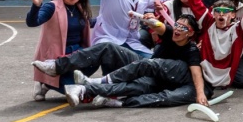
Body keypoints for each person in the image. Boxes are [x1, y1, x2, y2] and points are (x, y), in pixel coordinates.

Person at [67, 15, 208, 109]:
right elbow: (159, 26)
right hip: (151, 72)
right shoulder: (170, 33)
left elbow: (196, 74)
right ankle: (85, 86)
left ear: (190, 33)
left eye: (183, 28)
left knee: (132, 88)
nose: (177, 29)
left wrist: (200, 94)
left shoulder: (191, 50)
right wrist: (149, 19)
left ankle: (108, 98)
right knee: (111, 49)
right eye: (177, 24)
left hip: (164, 82)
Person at [26, 0, 92, 100]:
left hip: (77, 52)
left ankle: (52, 82)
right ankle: (46, 83)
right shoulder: (51, 7)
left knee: (99, 57)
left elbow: (89, 23)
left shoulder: (81, 8)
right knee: (77, 91)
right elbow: (33, 22)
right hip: (58, 56)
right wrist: (36, 6)